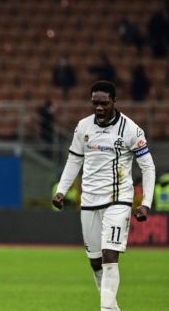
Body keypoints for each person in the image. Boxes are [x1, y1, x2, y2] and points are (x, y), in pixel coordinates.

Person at [52, 81, 156, 311]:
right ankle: (113, 308)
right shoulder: (83, 127)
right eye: (95, 103)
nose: (98, 107)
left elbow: (148, 167)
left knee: (110, 256)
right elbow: (74, 160)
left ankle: (106, 310)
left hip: (118, 200)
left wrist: (146, 203)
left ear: (114, 102)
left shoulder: (131, 130)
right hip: (89, 201)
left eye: (103, 103)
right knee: (95, 262)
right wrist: (61, 190)